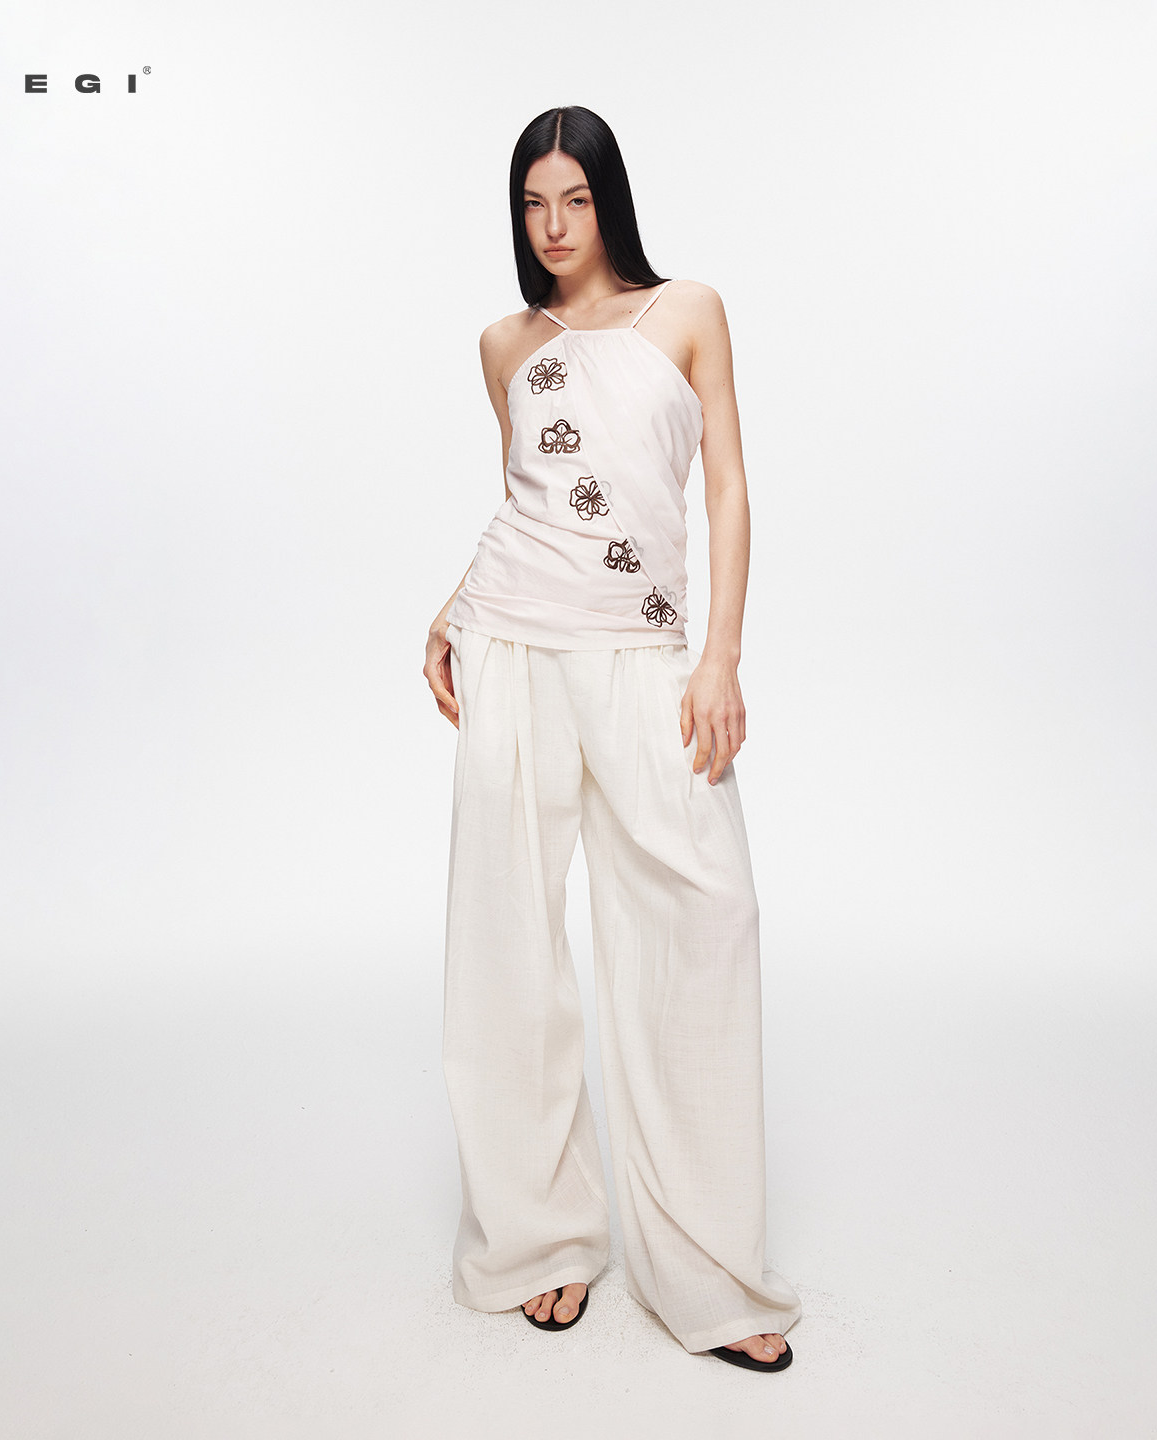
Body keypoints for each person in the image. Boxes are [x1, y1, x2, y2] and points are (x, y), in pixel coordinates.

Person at [422, 105, 801, 1372]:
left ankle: (711, 1270)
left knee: (704, 919)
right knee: (508, 943)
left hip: (646, 657)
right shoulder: (505, 344)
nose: (553, 225)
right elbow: (532, 506)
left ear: (609, 201)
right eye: (533, 203)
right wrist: (453, 610)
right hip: (512, 650)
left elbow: (726, 485)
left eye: (574, 200)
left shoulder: (686, 312)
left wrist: (720, 655)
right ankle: (541, 1242)